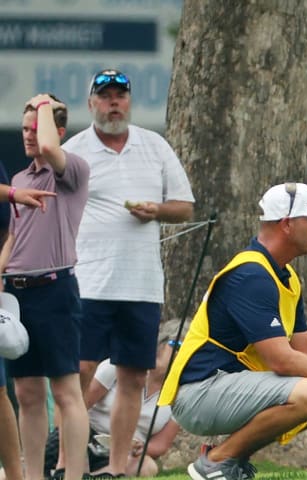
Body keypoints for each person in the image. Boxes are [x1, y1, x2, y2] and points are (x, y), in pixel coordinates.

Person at [157, 183, 307, 480]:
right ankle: (216, 462)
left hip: (228, 386)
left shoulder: (284, 273)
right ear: (287, 224)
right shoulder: (251, 274)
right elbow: (282, 360)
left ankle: (231, 462)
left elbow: (306, 349)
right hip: (199, 393)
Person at [62, 69, 195, 478]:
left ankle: (119, 470)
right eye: (105, 96)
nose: (113, 103)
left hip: (140, 284)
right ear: (91, 104)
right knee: (79, 373)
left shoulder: (154, 146)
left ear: (130, 102)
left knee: (133, 377)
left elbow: (184, 206)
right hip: (88, 280)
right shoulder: (74, 150)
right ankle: (67, 462)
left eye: (120, 96)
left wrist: (156, 211)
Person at [0, 94, 90, 480]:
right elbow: (13, 240)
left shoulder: (71, 172)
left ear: (56, 131)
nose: (29, 137)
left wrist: (42, 104)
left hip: (55, 289)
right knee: (27, 395)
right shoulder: (19, 181)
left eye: (35, 130)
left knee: (67, 392)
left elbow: (52, 148)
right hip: (17, 294)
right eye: (24, 130)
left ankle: (72, 475)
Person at [46, 319, 182, 478]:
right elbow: (78, 403)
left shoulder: (180, 394)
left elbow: (161, 445)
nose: (180, 354)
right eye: (177, 345)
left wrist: (140, 447)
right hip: (89, 438)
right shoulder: (118, 368)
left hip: (126, 453)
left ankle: (97, 476)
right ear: (161, 342)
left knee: (148, 467)